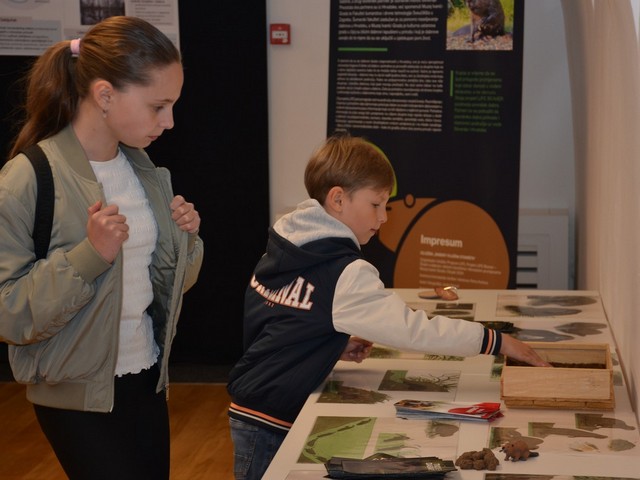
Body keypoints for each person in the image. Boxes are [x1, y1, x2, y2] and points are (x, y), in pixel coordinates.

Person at [226, 134, 550, 480]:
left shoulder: (287, 246)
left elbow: (279, 320)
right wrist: (496, 341)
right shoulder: (345, 272)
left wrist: (325, 343)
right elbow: (414, 330)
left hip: (253, 405)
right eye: (376, 204)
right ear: (338, 199)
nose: (383, 217)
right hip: (273, 421)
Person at [0, 16, 203, 480]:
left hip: (147, 376)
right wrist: (90, 255)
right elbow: (8, 313)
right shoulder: (26, 179)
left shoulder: (144, 171)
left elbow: (169, 286)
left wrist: (186, 240)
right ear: (105, 95)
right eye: (158, 106)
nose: (169, 122)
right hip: (73, 394)